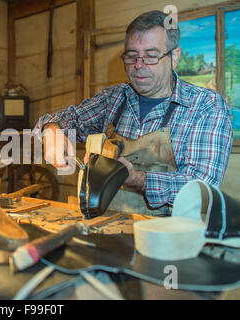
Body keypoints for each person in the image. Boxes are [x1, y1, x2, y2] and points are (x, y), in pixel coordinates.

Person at [33, 10, 233, 215]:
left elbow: (201, 189)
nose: (138, 66)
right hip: (106, 229)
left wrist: (137, 179)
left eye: (151, 56)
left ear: (174, 57)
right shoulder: (114, 98)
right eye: (131, 56)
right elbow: (66, 118)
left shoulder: (205, 105)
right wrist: (52, 129)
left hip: (170, 239)